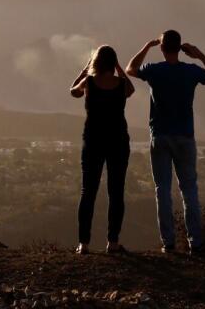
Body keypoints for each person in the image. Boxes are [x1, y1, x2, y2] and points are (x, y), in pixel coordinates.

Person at [126, 30, 205, 254]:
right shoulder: (191, 71)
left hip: (160, 135)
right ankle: (195, 242)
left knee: (162, 189)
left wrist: (146, 46)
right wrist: (200, 56)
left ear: (162, 48)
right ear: (180, 47)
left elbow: (130, 69)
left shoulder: (154, 70)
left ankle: (168, 243)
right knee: (189, 190)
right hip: (185, 137)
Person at [69, 45, 135, 254]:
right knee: (116, 192)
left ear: (96, 62)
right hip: (118, 141)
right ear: (113, 63)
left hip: (93, 141)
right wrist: (119, 67)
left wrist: (86, 68)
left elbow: (73, 91)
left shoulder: (88, 82)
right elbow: (131, 90)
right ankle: (113, 242)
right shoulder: (121, 84)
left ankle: (83, 243)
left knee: (88, 192)